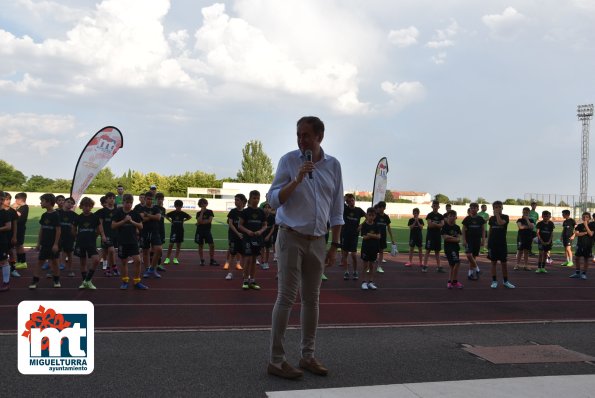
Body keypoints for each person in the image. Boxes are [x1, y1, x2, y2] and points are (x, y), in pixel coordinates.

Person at [267, 116, 344, 379]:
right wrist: (297, 180)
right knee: (286, 298)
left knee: (312, 300)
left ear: (320, 137)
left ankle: (307, 355)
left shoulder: (333, 165)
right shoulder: (289, 161)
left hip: (319, 241)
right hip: (290, 237)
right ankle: (277, 360)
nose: (301, 140)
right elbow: (273, 200)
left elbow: (337, 208)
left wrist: (335, 244)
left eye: (306, 135)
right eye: (299, 135)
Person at [112, 193, 147, 290]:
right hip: (122, 241)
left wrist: (131, 221)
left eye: (130, 203)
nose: (129, 205)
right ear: (123, 202)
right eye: (127, 202)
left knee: (138, 261)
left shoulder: (134, 213)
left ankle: (136, 281)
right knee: (124, 262)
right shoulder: (118, 213)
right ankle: (125, 281)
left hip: (133, 241)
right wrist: (124, 221)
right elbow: (113, 226)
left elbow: (141, 226)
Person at [29, 193, 61, 289]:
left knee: (55, 262)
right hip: (44, 244)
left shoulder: (56, 215)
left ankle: (56, 280)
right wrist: (38, 243)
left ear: (48, 202)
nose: (40, 203)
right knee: (40, 261)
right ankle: (35, 281)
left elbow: (58, 230)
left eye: (42, 201)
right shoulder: (44, 215)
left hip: (52, 244)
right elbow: (41, 229)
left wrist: (55, 244)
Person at [238, 191, 267, 290]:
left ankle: (253, 280)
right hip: (247, 238)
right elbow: (240, 225)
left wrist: (261, 231)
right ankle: (245, 280)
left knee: (254, 259)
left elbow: (265, 225)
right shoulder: (245, 212)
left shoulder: (261, 212)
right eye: (254, 198)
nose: (256, 200)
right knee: (248, 259)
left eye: (258, 198)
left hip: (257, 238)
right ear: (250, 199)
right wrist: (248, 231)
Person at [73, 197, 101, 289]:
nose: (87, 208)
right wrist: (77, 237)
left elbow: (99, 229)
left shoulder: (94, 217)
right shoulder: (78, 217)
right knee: (83, 262)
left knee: (96, 260)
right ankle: (85, 282)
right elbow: (73, 230)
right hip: (80, 242)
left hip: (91, 243)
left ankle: (87, 280)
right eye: (85, 206)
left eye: (89, 206)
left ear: (92, 207)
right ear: (81, 206)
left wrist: (95, 236)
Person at [487, 201, 515, 289]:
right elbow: (491, 230)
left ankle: (505, 281)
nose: (497, 208)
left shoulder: (505, 217)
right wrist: (488, 242)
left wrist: (497, 215)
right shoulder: (491, 219)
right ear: (493, 208)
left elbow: (500, 223)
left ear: (502, 208)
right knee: (493, 262)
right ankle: (494, 281)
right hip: (493, 243)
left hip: (502, 243)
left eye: (499, 207)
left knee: (504, 263)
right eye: (495, 207)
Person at [341, 193, 365, 279]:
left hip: (354, 236)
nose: (351, 202)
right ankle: (346, 271)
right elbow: (340, 201)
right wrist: (345, 198)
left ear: (354, 200)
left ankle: (355, 271)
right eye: (349, 201)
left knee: (354, 255)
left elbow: (368, 217)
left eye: (352, 200)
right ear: (347, 202)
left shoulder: (359, 210)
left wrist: (361, 225)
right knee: (345, 254)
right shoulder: (345, 209)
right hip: (345, 234)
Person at [140, 191, 163, 278]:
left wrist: (148, 215)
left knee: (159, 250)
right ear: (145, 199)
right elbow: (142, 219)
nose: (149, 200)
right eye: (148, 199)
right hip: (144, 232)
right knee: (145, 252)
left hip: (155, 232)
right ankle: (147, 270)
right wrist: (151, 217)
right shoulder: (141, 208)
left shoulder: (156, 208)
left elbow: (158, 217)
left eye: (151, 199)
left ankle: (152, 269)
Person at [223, 194, 246, 279]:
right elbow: (230, 224)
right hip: (234, 236)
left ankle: (245, 273)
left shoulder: (245, 212)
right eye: (235, 200)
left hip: (243, 237)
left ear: (243, 201)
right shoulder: (233, 211)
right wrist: (238, 233)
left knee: (244, 255)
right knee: (232, 254)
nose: (235, 201)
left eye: (237, 200)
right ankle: (230, 273)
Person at [96, 192, 119, 276]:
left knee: (110, 252)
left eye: (113, 198)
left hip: (115, 234)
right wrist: (102, 235)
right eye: (110, 198)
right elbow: (100, 224)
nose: (112, 199)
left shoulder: (117, 210)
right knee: (111, 250)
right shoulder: (102, 211)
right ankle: (108, 269)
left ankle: (114, 267)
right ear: (106, 199)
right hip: (106, 234)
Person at [461, 202, 485, 280]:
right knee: (468, 255)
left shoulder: (480, 219)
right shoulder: (467, 219)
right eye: (472, 208)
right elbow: (463, 230)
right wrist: (464, 239)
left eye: (475, 208)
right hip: (469, 240)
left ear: (478, 209)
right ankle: (477, 269)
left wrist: (483, 240)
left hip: (477, 240)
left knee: (474, 256)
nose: (473, 209)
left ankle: (470, 274)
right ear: (470, 209)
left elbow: (483, 230)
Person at [164, 199, 192, 265]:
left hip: (180, 230)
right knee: (171, 245)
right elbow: (166, 215)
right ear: (175, 206)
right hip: (173, 230)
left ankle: (175, 258)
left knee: (178, 245)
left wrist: (184, 221)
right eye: (177, 206)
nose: (178, 207)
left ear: (181, 206)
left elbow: (189, 217)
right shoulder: (172, 213)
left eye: (179, 206)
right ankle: (167, 258)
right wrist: (170, 221)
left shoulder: (183, 213)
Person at [360, 207, 381, 290]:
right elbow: (364, 237)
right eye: (369, 215)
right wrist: (373, 236)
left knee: (372, 265)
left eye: (372, 215)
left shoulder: (376, 225)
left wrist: (370, 235)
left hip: (374, 248)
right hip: (366, 248)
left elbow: (379, 236)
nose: (371, 217)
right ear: (367, 215)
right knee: (365, 266)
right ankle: (364, 282)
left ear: (375, 216)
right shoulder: (364, 225)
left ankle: (371, 282)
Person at [442, 209, 463, 289]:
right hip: (449, 248)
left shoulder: (457, 227)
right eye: (450, 216)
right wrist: (453, 238)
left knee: (452, 266)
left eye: (453, 216)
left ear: (456, 217)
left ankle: (451, 282)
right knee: (457, 262)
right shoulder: (445, 227)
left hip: (455, 248)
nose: (452, 217)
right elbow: (445, 238)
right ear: (447, 217)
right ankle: (454, 281)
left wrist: (449, 237)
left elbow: (459, 239)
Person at [195, 198, 219, 266]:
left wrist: (200, 222)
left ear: (206, 204)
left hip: (207, 231)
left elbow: (209, 221)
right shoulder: (198, 213)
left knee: (212, 245)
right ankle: (201, 260)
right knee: (200, 245)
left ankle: (212, 259)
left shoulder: (210, 211)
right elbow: (199, 221)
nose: (203, 205)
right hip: (199, 231)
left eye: (204, 203)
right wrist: (202, 212)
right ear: (199, 205)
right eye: (201, 204)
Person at [423, 200, 445, 273]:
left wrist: (434, 223)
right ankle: (425, 266)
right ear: (432, 206)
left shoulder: (441, 216)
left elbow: (442, 225)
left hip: (437, 236)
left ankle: (439, 267)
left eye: (436, 205)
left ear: (439, 207)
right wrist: (437, 224)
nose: (435, 207)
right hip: (430, 235)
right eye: (434, 205)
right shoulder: (429, 215)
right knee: (428, 250)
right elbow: (429, 225)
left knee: (437, 252)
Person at [373, 201, 395, 273]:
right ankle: (371, 267)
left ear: (384, 208)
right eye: (379, 207)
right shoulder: (375, 215)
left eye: (381, 207)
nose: (379, 209)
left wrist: (392, 238)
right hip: (375, 236)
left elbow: (388, 228)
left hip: (383, 237)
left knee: (381, 251)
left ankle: (379, 267)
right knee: (373, 251)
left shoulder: (386, 217)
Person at [58, 197, 76, 277]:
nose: (70, 204)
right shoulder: (57, 212)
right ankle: (53, 270)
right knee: (55, 253)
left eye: (72, 203)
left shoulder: (74, 215)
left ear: (73, 206)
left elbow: (76, 227)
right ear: (64, 202)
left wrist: (75, 235)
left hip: (69, 237)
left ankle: (70, 270)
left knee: (69, 254)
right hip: (58, 236)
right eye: (68, 202)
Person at [571, 212, 592, 280]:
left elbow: (591, 234)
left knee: (586, 259)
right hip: (580, 244)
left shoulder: (592, 225)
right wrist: (585, 233)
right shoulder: (579, 226)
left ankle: (584, 274)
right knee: (577, 258)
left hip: (588, 245)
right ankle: (577, 273)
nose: (585, 218)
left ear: (589, 218)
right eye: (583, 217)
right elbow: (576, 234)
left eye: (586, 217)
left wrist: (586, 226)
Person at [12, 192, 29, 270]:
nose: (15, 201)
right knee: (17, 245)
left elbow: (18, 214)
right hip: (18, 228)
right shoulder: (21, 207)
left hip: (20, 228)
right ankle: (20, 261)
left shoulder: (24, 207)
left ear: (20, 199)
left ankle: (23, 262)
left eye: (16, 199)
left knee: (20, 245)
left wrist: (13, 208)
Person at [515, 207, 534, 271]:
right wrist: (528, 226)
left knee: (526, 252)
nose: (525, 214)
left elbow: (532, 227)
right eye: (524, 212)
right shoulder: (519, 220)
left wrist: (527, 220)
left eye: (527, 213)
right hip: (521, 238)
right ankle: (517, 265)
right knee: (520, 252)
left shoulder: (531, 220)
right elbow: (520, 227)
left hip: (528, 238)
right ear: (522, 212)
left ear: (529, 213)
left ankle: (526, 265)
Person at [0, 193, 12, 291]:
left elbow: (8, 226)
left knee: (3, 261)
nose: (1, 201)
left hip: (2, 241)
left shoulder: (4, 213)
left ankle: (6, 282)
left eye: (2, 199)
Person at [261, 202, 277, 270]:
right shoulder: (261, 217)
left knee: (267, 249)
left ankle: (266, 262)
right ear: (263, 209)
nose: (267, 209)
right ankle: (262, 261)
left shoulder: (272, 217)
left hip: (268, 235)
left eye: (268, 207)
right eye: (265, 207)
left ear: (270, 209)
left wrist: (268, 236)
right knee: (261, 249)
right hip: (261, 234)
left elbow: (273, 228)